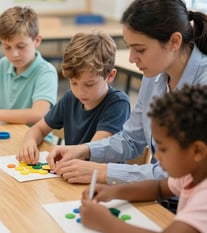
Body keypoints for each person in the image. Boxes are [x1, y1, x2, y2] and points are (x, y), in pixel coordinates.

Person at [46, 0, 207, 186]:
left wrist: (103, 171)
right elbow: (131, 139)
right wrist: (84, 150)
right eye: (129, 47)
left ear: (174, 42)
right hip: (158, 192)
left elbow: (182, 174)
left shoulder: (202, 85)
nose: (131, 59)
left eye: (140, 49)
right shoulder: (154, 73)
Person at [80, 84, 207, 233]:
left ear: (197, 151)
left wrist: (107, 223)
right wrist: (112, 192)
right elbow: (159, 188)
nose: (157, 156)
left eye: (164, 149)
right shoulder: (193, 173)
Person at [17, 32, 130, 164]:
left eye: (89, 84)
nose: (80, 92)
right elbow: (38, 128)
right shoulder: (70, 98)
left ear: (110, 76)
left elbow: (91, 151)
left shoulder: (118, 104)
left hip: (100, 180)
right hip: (74, 175)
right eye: (73, 83)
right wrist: (30, 142)